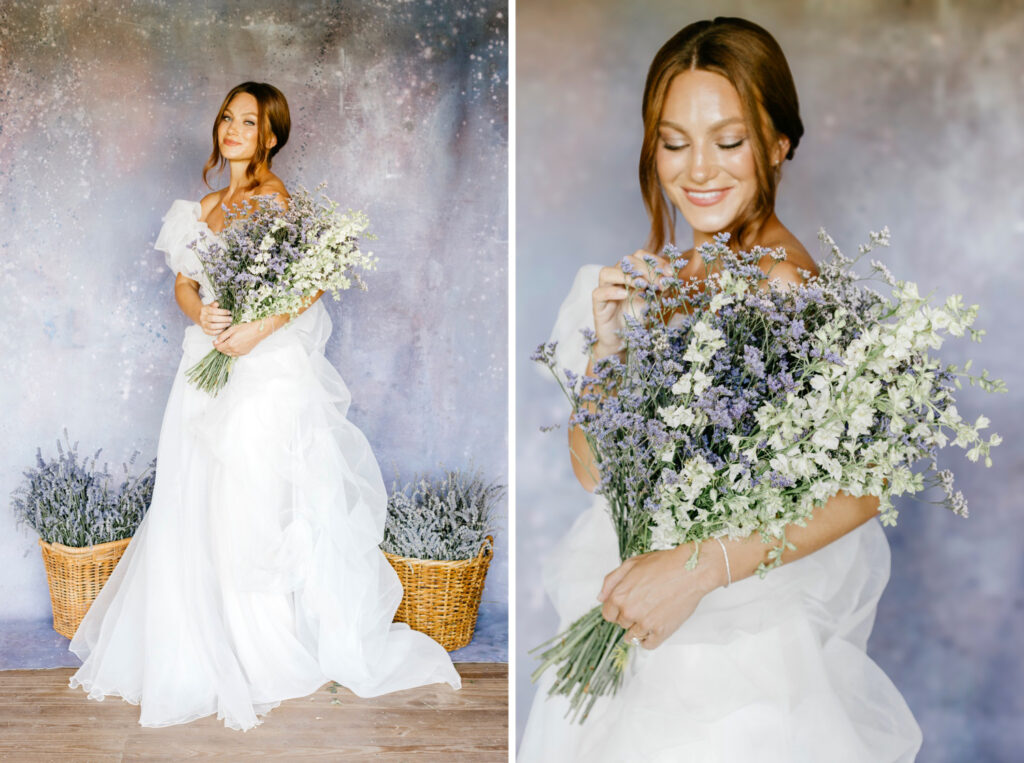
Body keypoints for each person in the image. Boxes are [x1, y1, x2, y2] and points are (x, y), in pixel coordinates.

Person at [519, 18, 922, 762]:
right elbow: (594, 473)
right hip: (631, 618)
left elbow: (873, 479)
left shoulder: (787, 289)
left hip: (735, 654)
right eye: (674, 142)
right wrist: (609, 351)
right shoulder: (665, 278)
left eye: (728, 141)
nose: (698, 169)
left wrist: (695, 569)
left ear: (778, 144)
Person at [68, 82, 461, 731]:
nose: (232, 129)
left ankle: (257, 643)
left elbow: (304, 289)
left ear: (270, 136)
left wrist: (251, 331)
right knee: (191, 494)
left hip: (262, 365)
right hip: (203, 360)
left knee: (247, 499)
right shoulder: (203, 205)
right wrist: (206, 312)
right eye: (228, 117)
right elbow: (183, 282)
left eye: (247, 122)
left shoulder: (276, 201)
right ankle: (192, 637)